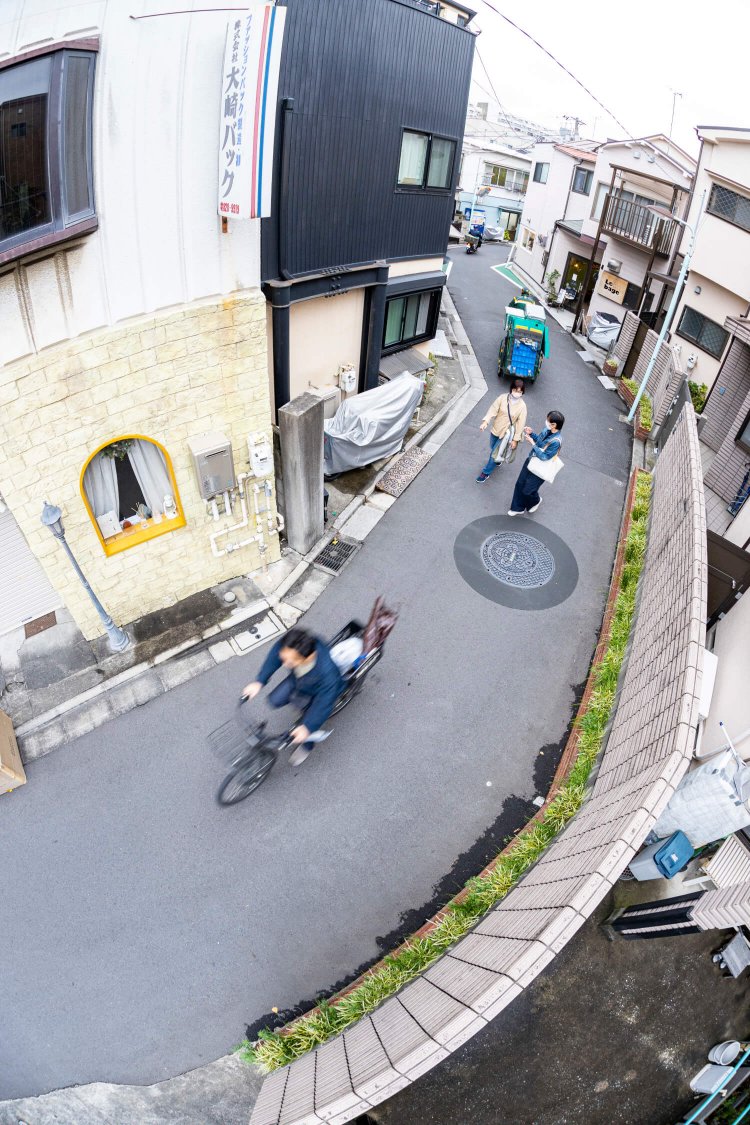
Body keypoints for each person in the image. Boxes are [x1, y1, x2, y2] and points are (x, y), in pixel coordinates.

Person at [242, 626, 344, 765]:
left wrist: (308, 727)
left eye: (289, 662)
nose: (284, 664)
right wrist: (260, 681)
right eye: (284, 660)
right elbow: (276, 654)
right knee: (274, 700)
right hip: (299, 681)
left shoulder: (328, 675)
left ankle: (307, 745)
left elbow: (323, 703)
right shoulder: (292, 647)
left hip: (317, 693)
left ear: (308, 658)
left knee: (307, 723)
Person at [508, 410, 564, 516]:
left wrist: (533, 444)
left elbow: (544, 457)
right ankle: (517, 508)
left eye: (548, 421)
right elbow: (541, 443)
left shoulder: (556, 441)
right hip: (531, 460)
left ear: (554, 425)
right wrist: (532, 434)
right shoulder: (547, 430)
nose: (546, 422)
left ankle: (536, 501)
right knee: (520, 483)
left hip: (541, 467)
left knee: (528, 490)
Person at [476, 378, 527, 482]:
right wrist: (485, 422)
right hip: (495, 429)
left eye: (520, 392)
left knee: (493, 454)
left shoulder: (522, 406)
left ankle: (485, 473)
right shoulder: (502, 398)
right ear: (511, 389)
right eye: (515, 390)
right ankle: (498, 459)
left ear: (522, 392)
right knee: (493, 447)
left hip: (506, 434)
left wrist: (515, 440)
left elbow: (520, 424)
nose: (517, 393)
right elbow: (493, 410)